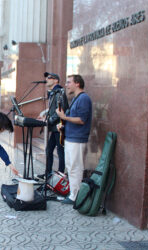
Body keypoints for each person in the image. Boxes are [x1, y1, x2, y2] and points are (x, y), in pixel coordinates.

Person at [56, 75, 92, 205]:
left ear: (77, 84)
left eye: (69, 82)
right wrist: (63, 126)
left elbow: (81, 120)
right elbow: (74, 119)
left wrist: (64, 117)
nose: (66, 85)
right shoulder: (77, 98)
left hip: (77, 139)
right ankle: (73, 193)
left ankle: (75, 196)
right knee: (71, 167)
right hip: (71, 138)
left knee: (75, 167)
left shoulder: (83, 98)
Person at [38, 72, 68, 179]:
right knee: (49, 150)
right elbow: (53, 110)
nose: (47, 79)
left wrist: (49, 120)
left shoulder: (59, 92)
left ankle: (60, 176)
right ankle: (48, 174)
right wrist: (45, 117)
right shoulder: (53, 92)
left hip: (59, 128)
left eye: (49, 78)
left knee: (60, 152)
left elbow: (61, 110)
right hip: (55, 127)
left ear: (56, 80)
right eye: (46, 77)